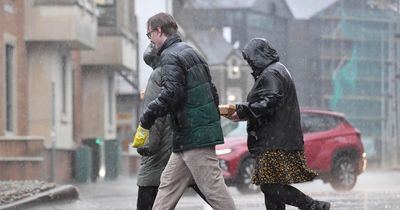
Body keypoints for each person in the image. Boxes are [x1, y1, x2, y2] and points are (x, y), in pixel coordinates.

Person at [132, 12, 236, 210]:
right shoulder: (192, 52)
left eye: (149, 35)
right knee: (167, 188)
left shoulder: (170, 56)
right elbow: (213, 92)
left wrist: (148, 116)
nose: (150, 40)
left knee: (215, 191)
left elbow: (172, 93)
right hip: (186, 139)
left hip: (194, 138)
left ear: (159, 31)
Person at [226, 38, 331, 210]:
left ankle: (314, 206)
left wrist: (242, 110)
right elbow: (268, 103)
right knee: (272, 188)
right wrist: (244, 110)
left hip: (273, 142)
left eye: (250, 60)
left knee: (270, 186)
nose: (250, 64)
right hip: (279, 139)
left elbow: (268, 102)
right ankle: (313, 206)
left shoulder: (271, 73)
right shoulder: (278, 70)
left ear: (259, 55)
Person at [135, 43, 209, 210]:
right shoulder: (182, 73)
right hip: (184, 143)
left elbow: (154, 118)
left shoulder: (157, 75)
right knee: (210, 192)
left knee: (148, 200)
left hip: (159, 153)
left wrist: (146, 146)